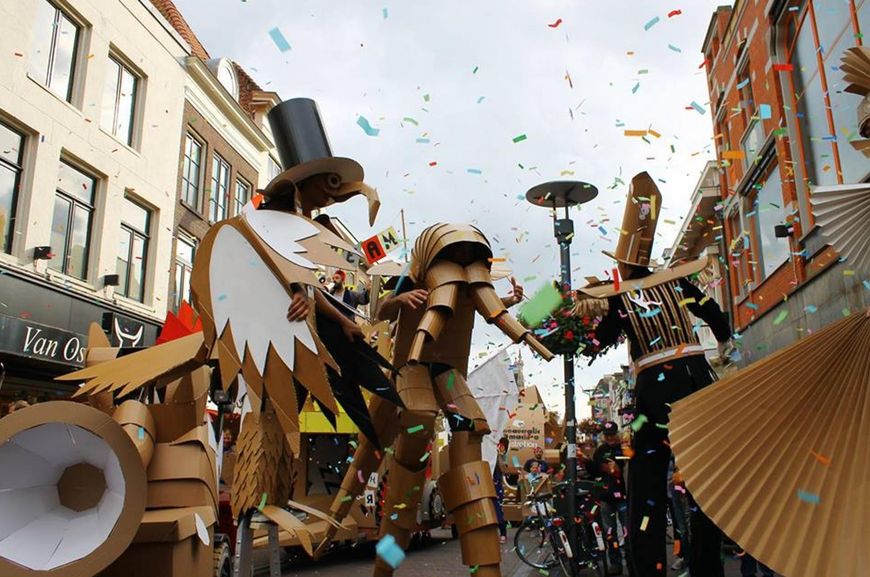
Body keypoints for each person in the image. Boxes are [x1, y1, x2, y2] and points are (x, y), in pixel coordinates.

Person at [574, 172, 733, 577]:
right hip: (698, 380)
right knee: (709, 478)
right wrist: (724, 343)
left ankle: (649, 567)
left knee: (646, 481)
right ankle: (707, 567)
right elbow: (717, 317)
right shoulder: (678, 283)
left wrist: (580, 313)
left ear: (624, 262)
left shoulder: (620, 295)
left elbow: (595, 342)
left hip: (656, 388)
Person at [590, 422, 628, 575]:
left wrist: (617, 468)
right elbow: (595, 470)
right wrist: (587, 463)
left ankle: (631, 561)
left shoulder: (624, 448)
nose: (610, 437)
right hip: (606, 498)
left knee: (628, 530)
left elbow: (627, 467)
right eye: (607, 435)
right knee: (610, 532)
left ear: (616, 434)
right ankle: (615, 563)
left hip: (624, 496)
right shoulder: (600, 451)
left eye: (612, 434)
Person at [493, 437, 510, 543]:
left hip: (496, 484)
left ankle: (503, 533)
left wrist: (498, 455)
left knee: (497, 508)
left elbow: (503, 469)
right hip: (486, 483)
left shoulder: (502, 455)